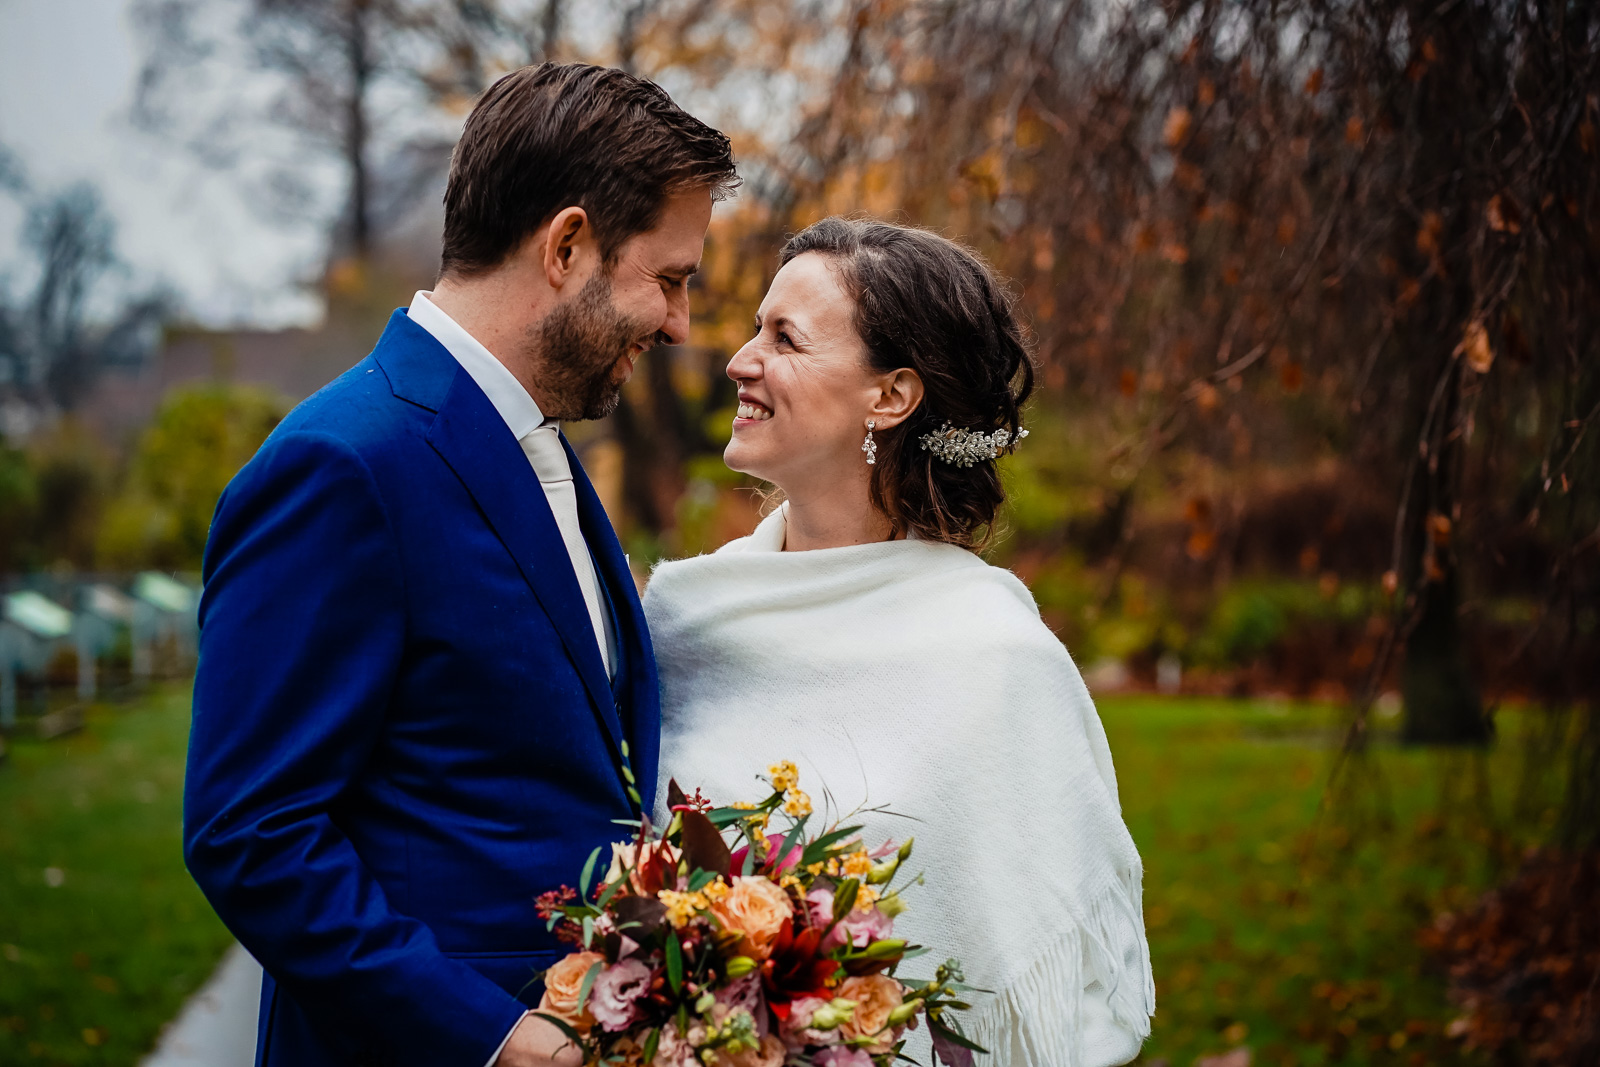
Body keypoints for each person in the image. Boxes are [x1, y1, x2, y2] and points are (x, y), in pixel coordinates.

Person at [184, 63, 737, 1067]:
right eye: (670, 277)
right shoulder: (343, 464)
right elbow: (251, 831)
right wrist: (483, 1032)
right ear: (567, 245)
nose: (680, 323)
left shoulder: (536, 447)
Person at [644, 217, 1153, 1067]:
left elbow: (1060, 1002)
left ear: (890, 395)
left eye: (785, 339)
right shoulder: (687, 618)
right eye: (753, 329)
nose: (738, 359)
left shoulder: (997, 658)